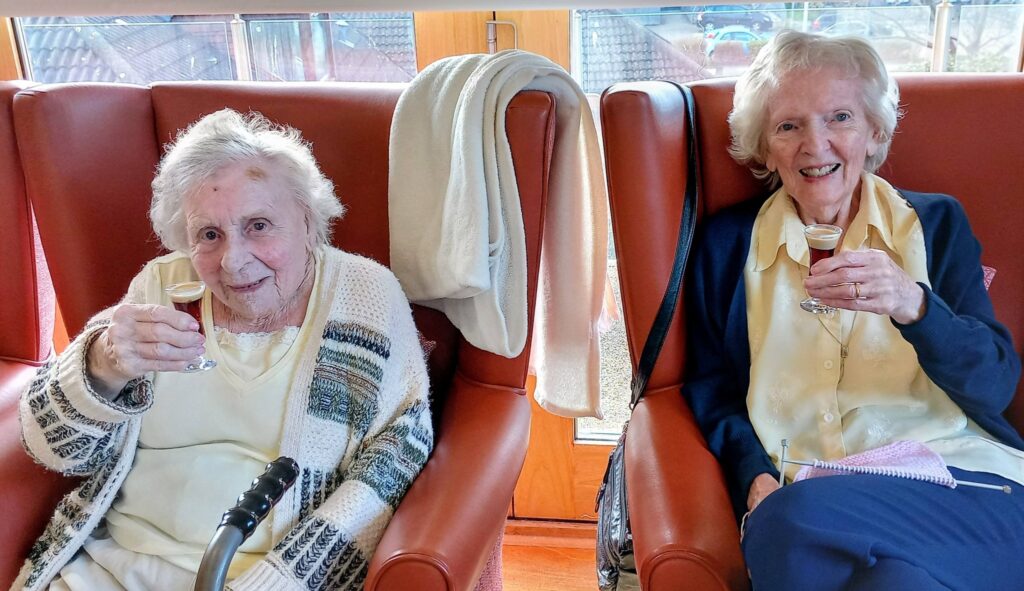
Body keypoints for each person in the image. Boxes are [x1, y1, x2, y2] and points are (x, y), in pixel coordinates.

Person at [15, 109, 433, 591]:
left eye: (258, 225)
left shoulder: (363, 296)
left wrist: (277, 582)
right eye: (209, 235)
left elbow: (393, 461)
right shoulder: (162, 286)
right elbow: (54, 450)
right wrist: (101, 366)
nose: (233, 261)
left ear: (308, 220)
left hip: (267, 575)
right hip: (110, 566)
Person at [683, 31, 1024, 589]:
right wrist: (752, 475)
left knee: (786, 525)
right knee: (890, 580)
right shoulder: (726, 248)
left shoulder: (934, 225)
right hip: (814, 491)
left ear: (874, 133)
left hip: (962, 487)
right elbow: (711, 386)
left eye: (839, 117)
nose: (814, 146)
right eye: (788, 126)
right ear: (765, 149)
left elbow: (995, 385)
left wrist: (914, 305)